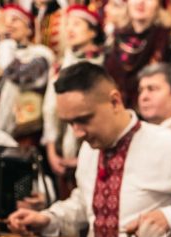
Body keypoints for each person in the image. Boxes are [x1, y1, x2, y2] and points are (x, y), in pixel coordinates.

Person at [7, 62, 171, 237]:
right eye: (69, 123)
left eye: (83, 119)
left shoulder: (169, 145)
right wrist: (49, 219)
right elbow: (85, 204)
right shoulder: (90, 147)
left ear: (114, 101)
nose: (77, 132)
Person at [41, 4, 106, 200]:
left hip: (93, 152)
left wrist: (83, 158)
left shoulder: (104, 64)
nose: (70, 29)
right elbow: (49, 110)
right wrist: (51, 152)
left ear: (93, 31)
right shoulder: (60, 65)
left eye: (77, 24)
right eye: (67, 24)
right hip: (61, 151)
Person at [0, 3, 54, 145]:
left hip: (26, 136)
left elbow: (17, 74)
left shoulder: (41, 54)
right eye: (4, 20)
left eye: (15, 19)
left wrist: (3, 35)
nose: (8, 24)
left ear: (29, 29)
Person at [105, 0, 171, 109]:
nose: (140, 2)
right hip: (115, 111)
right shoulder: (113, 37)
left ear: (159, 4)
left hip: (157, 115)